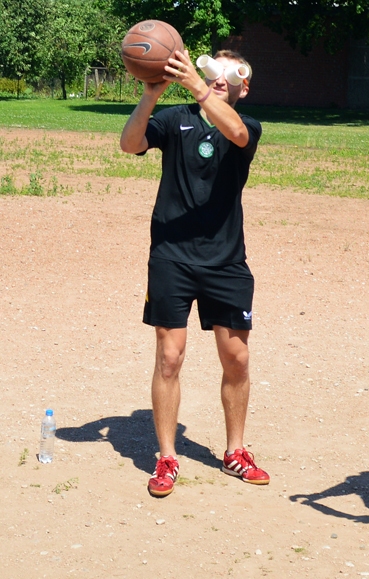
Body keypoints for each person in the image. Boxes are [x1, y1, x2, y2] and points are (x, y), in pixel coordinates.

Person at [120, 49, 269, 498]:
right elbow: (130, 144)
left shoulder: (249, 127)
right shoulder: (174, 119)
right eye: (212, 70)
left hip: (226, 261)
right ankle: (166, 456)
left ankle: (235, 451)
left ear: (245, 86)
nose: (218, 78)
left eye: (229, 73)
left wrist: (200, 88)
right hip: (172, 256)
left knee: (237, 359)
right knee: (169, 357)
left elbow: (237, 131)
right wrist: (150, 96)